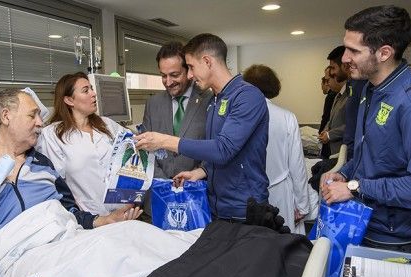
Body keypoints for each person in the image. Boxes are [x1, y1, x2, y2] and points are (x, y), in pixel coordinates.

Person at [0, 89, 141, 277]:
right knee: (105, 267)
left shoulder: (43, 165)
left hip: (69, 237)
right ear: (6, 116)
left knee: (133, 240)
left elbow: (69, 211)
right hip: (22, 252)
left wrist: (102, 221)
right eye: (33, 115)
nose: (40, 122)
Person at [321, 5, 411, 254]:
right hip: (365, 222)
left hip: (397, 240)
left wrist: (354, 188)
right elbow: (370, 156)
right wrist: (346, 174)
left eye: (353, 50)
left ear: (384, 53)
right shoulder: (368, 91)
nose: (345, 58)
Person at [135, 33, 270, 222]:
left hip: (243, 208)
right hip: (217, 206)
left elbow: (223, 149)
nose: (190, 74)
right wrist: (200, 172)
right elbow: (215, 153)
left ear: (207, 61)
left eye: (190, 67)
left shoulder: (247, 96)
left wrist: (164, 140)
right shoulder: (216, 100)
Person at [39, 72, 132, 216]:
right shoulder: (53, 135)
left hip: (124, 211)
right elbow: (57, 184)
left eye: (92, 88)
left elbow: (134, 150)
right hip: (89, 219)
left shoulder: (107, 124)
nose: (94, 94)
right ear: (69, 100)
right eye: (85, 91)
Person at [243, 64, 310, 234]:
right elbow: (297, 166)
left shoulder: (238, 116)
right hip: (280, 194)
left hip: (247, 197)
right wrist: (302, 205)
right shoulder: (287, 117)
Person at [142, 41, 212, 180]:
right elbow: (145, 150)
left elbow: (215, 149)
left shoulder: (209, 100)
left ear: (189, 71)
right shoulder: (153, 103)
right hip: (159, 189)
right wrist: (165, 184)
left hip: (196, 189)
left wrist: (195, 177)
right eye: (163, 75)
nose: (168, 82)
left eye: (174, 75)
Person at [318, 45, 350, 158]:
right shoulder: (338, 96)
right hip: (334, 152)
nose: (332, 73)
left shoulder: (352, 95)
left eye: (333, 68)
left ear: (344, 66)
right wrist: (326, 129)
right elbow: (330, 119)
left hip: (343, 153)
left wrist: (330, 134)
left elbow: (352, 125)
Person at [319, 67, 336, 159]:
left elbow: (326, 117)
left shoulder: (331, 96)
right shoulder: (336, 96)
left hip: (330, 138)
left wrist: (321, 132)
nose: (321, 88)